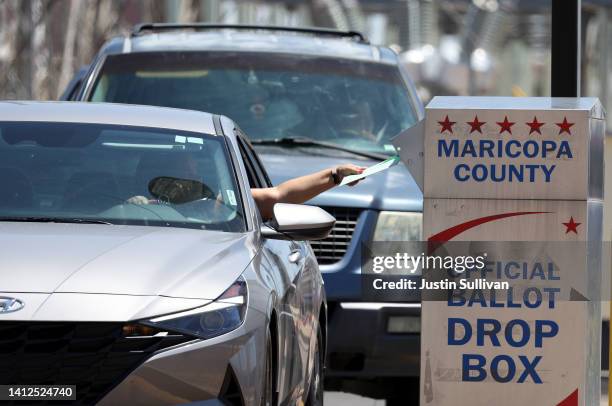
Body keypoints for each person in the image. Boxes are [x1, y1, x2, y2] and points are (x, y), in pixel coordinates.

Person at [127, 154, 365, 221]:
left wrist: (334, 175)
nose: (190, 179)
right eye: (179, 172)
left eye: (195, 173)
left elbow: (280, 196)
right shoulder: (134, 209)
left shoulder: (222, 206)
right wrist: (133, 208)